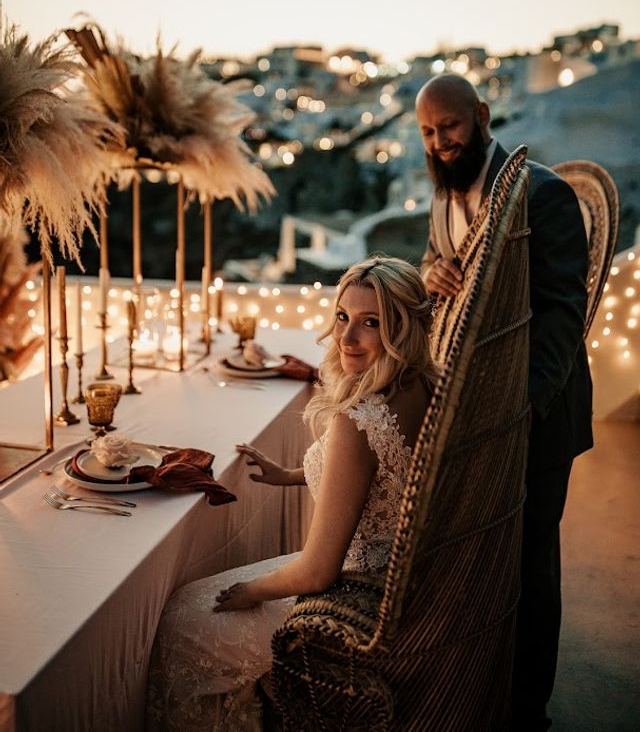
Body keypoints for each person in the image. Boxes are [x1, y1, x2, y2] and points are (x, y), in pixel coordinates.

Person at [146, 255, 437, 732]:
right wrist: (293, 474)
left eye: (371, 323)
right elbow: (384, 473)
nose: (346, 338)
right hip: (408, 577)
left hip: (356, 597)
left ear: (404, 329)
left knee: (184, 618)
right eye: (342, 317)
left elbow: (318, 571)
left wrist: (249, 592)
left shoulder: (357, 420)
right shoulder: (426, 384)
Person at [416, 73, 593, 732]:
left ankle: (527, 710)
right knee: (487, 556)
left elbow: (561, 316)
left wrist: (519, 410)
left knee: (530, 563)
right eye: (429, 132)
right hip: (476, 416)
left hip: (533, 417)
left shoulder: (540, 193)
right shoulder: (445, 192)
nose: (440, 141)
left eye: (450, 127)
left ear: (483, 115)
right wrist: (431, 270)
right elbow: (438, 258)